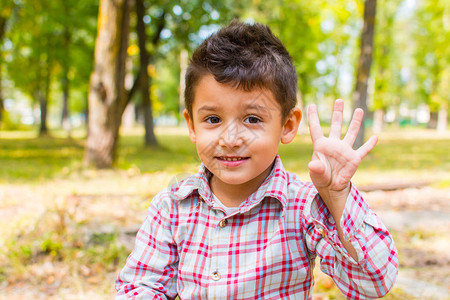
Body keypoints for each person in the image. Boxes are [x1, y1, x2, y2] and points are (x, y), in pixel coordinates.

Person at [116, 21, 398, 299]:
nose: (230, 138)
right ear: (192, 125)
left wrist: (338, 197)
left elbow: (374, 282)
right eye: (212, 119)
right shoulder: (173, 207)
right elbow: (140, 286)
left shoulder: (303, 207)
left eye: (252, 119)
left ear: (287, 125)